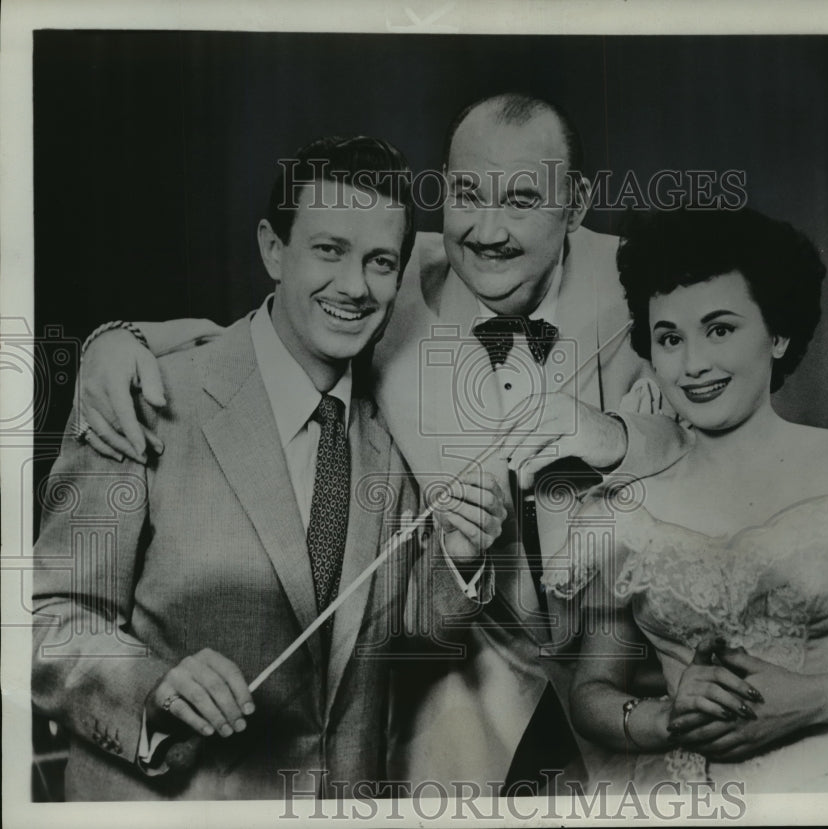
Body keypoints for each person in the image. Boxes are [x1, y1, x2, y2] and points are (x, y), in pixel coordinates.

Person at [69, 93, 691, 790]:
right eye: (465, 194)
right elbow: (269, 325)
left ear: (575, 207)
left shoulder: (649, 278)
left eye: (521, 201)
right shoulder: (399, 270)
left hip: (638, 673)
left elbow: (727, 422)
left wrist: (606, 433)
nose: (487, 231)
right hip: (461, 708)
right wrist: (118, 340)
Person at [31, 135, 507, 800]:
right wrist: (153, 686)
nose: (353, 286)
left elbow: (406, 644)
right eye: (329, 250)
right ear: (272, 249)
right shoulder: (144, 395)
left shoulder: (400, 424)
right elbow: (49, 618)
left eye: (378, 261)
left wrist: (459, 557)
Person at [561, 207, 828, 792]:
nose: (692, 364)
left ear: (778, 333)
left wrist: (815, 701)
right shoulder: (623, 508)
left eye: (719, 329)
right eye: (670, 337)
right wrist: (663, 718)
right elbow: (590, 692)